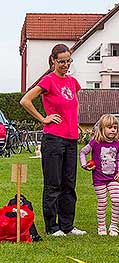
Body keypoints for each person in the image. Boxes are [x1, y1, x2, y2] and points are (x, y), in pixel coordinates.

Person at [20, 44, 86, 237]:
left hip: (71, 139)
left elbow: (74, 105)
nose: (66, 65)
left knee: (69, 184)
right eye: (62, 61)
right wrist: (43, 118)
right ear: (53, 61)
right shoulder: (48, 80)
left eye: (68, 61)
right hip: (54, 139)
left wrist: (76, 123)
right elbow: (25, 100)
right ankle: (52, 226)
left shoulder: (73, 82)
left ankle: (68, 225)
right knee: (53, 183)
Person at [79, 114, 119, 236]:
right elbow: (83, 152)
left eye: (115, 127)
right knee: (102, 202)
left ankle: (114, 226)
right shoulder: (95, 143)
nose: (113, 130)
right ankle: (101, 226)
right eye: (109, 127)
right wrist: (84, 165)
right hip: (99, 179)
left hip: (113, 178)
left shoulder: (117, 144)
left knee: (117, 200)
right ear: (102, 129)